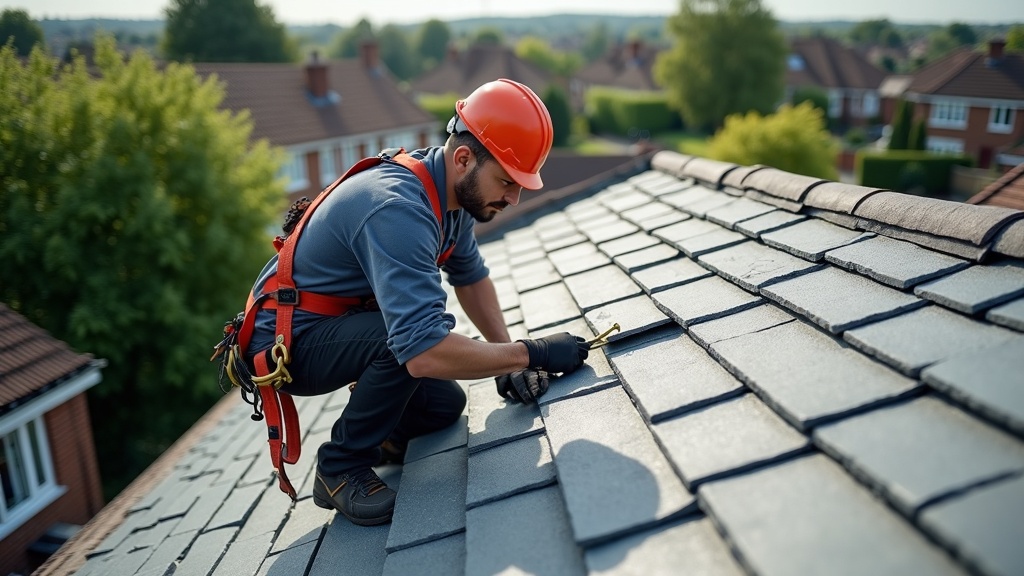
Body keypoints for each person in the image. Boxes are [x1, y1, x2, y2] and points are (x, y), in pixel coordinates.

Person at [243, 79, 590, 527]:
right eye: (506, 181)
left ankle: (385, 437)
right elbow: (423, 349)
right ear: (463, 158)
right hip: (287, 343)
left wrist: (508, 360)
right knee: (407, 345)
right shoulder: (398, 210)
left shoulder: (449, 197)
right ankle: (339, 467)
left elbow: (470, 277)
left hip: (333, 326)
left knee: (443, 405)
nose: (513, 198)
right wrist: (533, 352)